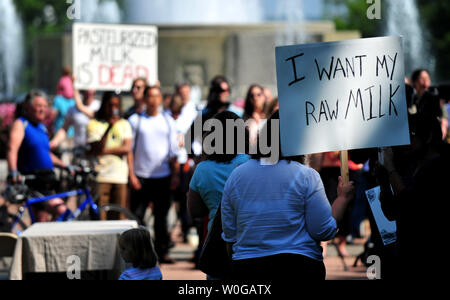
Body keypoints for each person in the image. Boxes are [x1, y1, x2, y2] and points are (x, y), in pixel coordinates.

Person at [221, 111, 355, 280]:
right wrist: (342, 199)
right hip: (298, 266)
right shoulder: (307, 176)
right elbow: (323, 230)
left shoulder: (236, 175)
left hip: (248, 266)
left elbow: (229, 234)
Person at [377, 112, 450, 277]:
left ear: (429, 137)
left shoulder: (438, 168)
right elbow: (392, 213)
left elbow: (409, 206)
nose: (407, 141)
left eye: (412, 135)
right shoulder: (414, 167)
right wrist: (384, 183)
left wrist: (391, 169)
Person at [187, 111, 250, 279]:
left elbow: (194, 210)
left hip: (218, 244)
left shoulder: (202, 169)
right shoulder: (252, 163)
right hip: (250, 239)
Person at [128, 85, 180, 263]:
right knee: (138, 217)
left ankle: (162, 252)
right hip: (141, 176)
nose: (153, 100)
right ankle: (139, 254)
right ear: (145, 99)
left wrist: (175, 175)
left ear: (160, 99)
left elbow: (174, 152)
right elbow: (129, 150)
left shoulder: (168, 121)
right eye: (150, 96)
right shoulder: (135, 120)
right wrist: (132, 175)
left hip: (162, 177)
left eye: (156, 96)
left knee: (161, 218)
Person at [7, 90, 69, 222]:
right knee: (61, 210)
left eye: (45, 106)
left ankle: (45, 241)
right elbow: (12, 149)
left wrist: (66, 166)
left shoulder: (42, 128)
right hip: (32, 181)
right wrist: (13, 172)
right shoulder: (21, 124)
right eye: (38, 106)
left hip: (45, 182)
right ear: (28, 107)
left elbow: (45, 153)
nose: (42, 109)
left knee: (41, 222)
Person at [87, 92, 132, 220]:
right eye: (110, 105)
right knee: (100, 218)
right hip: (101, 177)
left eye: (116, 106)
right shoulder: (94, 123)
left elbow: (127, 148)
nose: (113, 109)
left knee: (119, 218)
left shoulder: (124, 124)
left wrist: (104, 151)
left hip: (120, 177)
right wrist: (109, 127)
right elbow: (97, 147)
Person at [52, 67, 75, 138]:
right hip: (71, 133)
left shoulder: (58, 99)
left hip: (61, 133)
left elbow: (52, 115)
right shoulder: (70, 81)